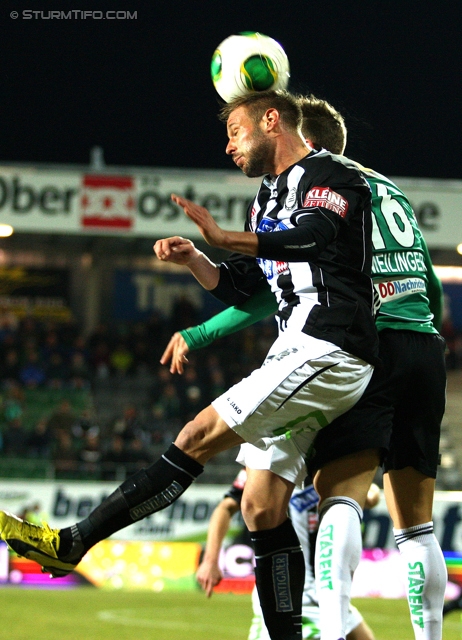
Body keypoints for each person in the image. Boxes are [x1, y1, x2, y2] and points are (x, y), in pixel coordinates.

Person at [0, 90, 381, 640]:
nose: (228, 146)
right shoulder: (266, 199)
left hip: (332, 348)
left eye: (236, 131)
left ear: (271, 121)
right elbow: (245, 284)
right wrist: (199, 259)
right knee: (261, 505)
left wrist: (228, 238)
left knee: (197, 433)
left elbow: (315, 236)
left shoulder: (331, 174)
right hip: (295, 348)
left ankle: (72, 542)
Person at [161, 94, 447, 640]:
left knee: (342, 496)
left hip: (367, 342)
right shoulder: (390, 189)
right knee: (417, 527)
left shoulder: (323, 199)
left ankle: (335, 626)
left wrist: (197, 329)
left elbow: (270, 296)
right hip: (423, 344)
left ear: (305, 144)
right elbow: (431, 285)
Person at [197, 467, 377, 640]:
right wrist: (210, 560)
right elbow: (226, 507)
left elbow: (367, 498)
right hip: (286, 590)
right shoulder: (266, 462)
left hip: (324, 590)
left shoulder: (326, 462)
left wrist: (367, 490)